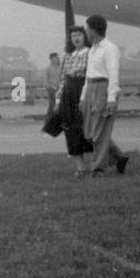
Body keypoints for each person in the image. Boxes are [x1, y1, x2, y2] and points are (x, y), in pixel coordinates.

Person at [81, 14, 130, 175]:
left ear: (94, 30)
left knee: (99, 131)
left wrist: (111, 99)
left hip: (104, 88)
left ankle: (99, 167)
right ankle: (119, 156)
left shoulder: (110, 48)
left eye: (87, 28)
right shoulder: (92, 51)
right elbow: (88, 75)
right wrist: (83, 97)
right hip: (91, 88)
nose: (86, 32)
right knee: (90, 132)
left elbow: (113, 74)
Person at [55, 27, 96, 175]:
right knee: (71, 130)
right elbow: (62, 79)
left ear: (84, 36)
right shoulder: (67, 56)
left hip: (83, 90)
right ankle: (79, 167)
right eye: (73, 36)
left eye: (79, 35)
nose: (76, 38)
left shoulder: (90, 53)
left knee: (85, 128)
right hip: (68, 92)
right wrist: (58, 100)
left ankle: (92, 165)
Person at [44, 52, 62, 118]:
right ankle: (50, 117)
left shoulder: (60, 68)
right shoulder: (48, 68)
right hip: (51, 89)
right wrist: (49, 87)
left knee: (58, 104)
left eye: (58, 58)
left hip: (59, 89)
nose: (58, 59)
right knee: (52, 104)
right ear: (52, 59)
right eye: (56, 58)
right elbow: (46, 80)